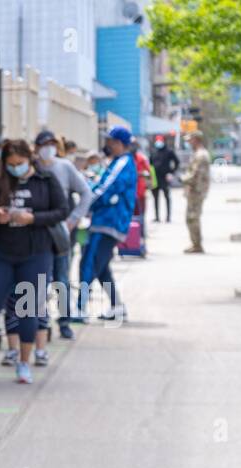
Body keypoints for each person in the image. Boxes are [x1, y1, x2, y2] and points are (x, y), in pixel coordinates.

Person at [0, 139, 69, 385]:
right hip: (2, 253)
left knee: (29, 309)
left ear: (29, 159)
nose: (15, 168)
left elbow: (62, 210)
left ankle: (24, 363)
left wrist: (32, 218)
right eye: (10, 164)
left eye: (19, 163)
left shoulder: (46, 181)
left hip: (36, 253)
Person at [33, 130, 92, 348]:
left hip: (60, 232)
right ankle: (41, 322)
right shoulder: (32, 168)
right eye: (43, 144)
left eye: (51, 144)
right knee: (39, 280)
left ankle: (64, 321)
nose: (47, 148)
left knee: (61, 278)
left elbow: (86, 193)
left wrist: (73, 220)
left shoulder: (64, 167)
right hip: (37, 232)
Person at [76, 126, 137, 323]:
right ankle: (117, 307)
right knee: (101, 267)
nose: (107, 144)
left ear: (118, 143)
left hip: (108, 222)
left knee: (89, 262)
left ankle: (80, 308)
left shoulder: (122, 163)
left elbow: (104, 189)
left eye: (110, 141)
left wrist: (84, 206)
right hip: (108, 221)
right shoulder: (119, 162)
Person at [182, 131, 212, 254]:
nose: (189, 142)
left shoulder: (201, 155)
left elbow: (196, 175)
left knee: (192, 218)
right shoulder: (198, 154)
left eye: (190, 140)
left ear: (196, 139)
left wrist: (182, 179)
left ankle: (197, 244)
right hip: (194, 190)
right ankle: (195, 243)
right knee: (191, 218)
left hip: (196, 191)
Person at [150, 135, 179, 222]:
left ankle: (168, 217)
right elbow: (150, 164)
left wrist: (171, 173)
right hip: (155, 178)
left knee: (167, 197)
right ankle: (157, 217)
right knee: (155, 198)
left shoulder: (169, 151)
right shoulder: (153, 151)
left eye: (160, 140)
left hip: (165, 177)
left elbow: (177, 162)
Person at [129, 140, 152, 240]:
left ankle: (141, 237)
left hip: (140, 192)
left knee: (140, 216)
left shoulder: (141, 158)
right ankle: (129, 240)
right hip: (128, 193)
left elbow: (148, 172)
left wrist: (142, 175)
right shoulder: (124, 159)